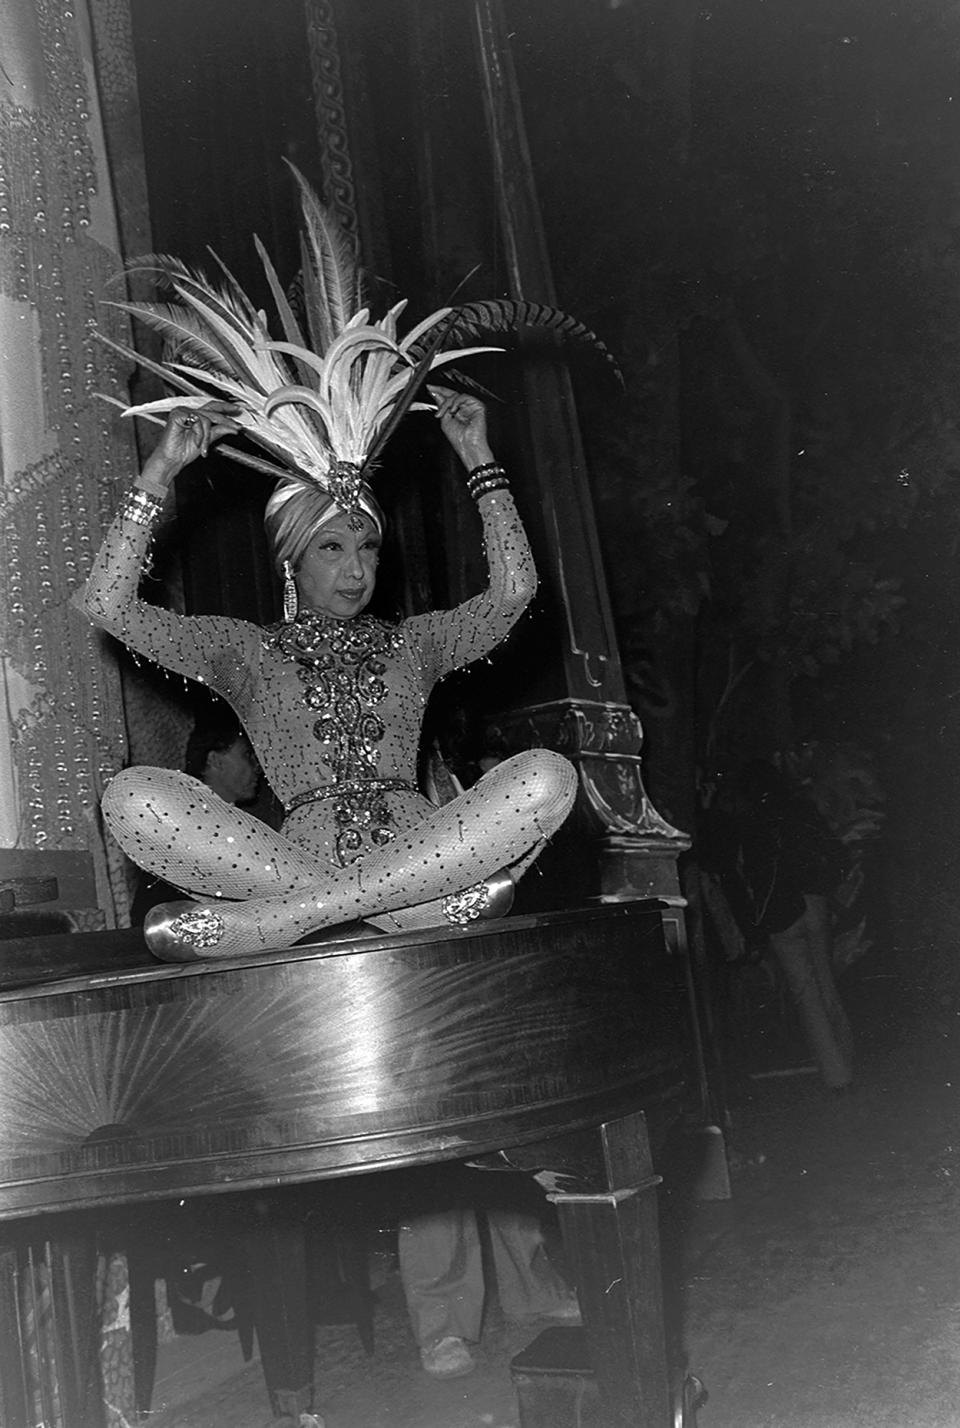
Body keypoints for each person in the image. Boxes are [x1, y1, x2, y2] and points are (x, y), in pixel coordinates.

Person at [710, 759, 853, 1089]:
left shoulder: (749, 821)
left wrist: (753, 928)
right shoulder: (800, 808)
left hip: (780, 914)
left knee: (807, 997)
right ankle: (848, 1059)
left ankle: (836, 1077)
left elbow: (740, 875)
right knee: (828, 984)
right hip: (813, 902)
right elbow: (835, 853)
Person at [129, 717, 261, 924]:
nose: (257, 767)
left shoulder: (241, 823)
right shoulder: (181, 824)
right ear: (215, 760)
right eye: (247, 755)